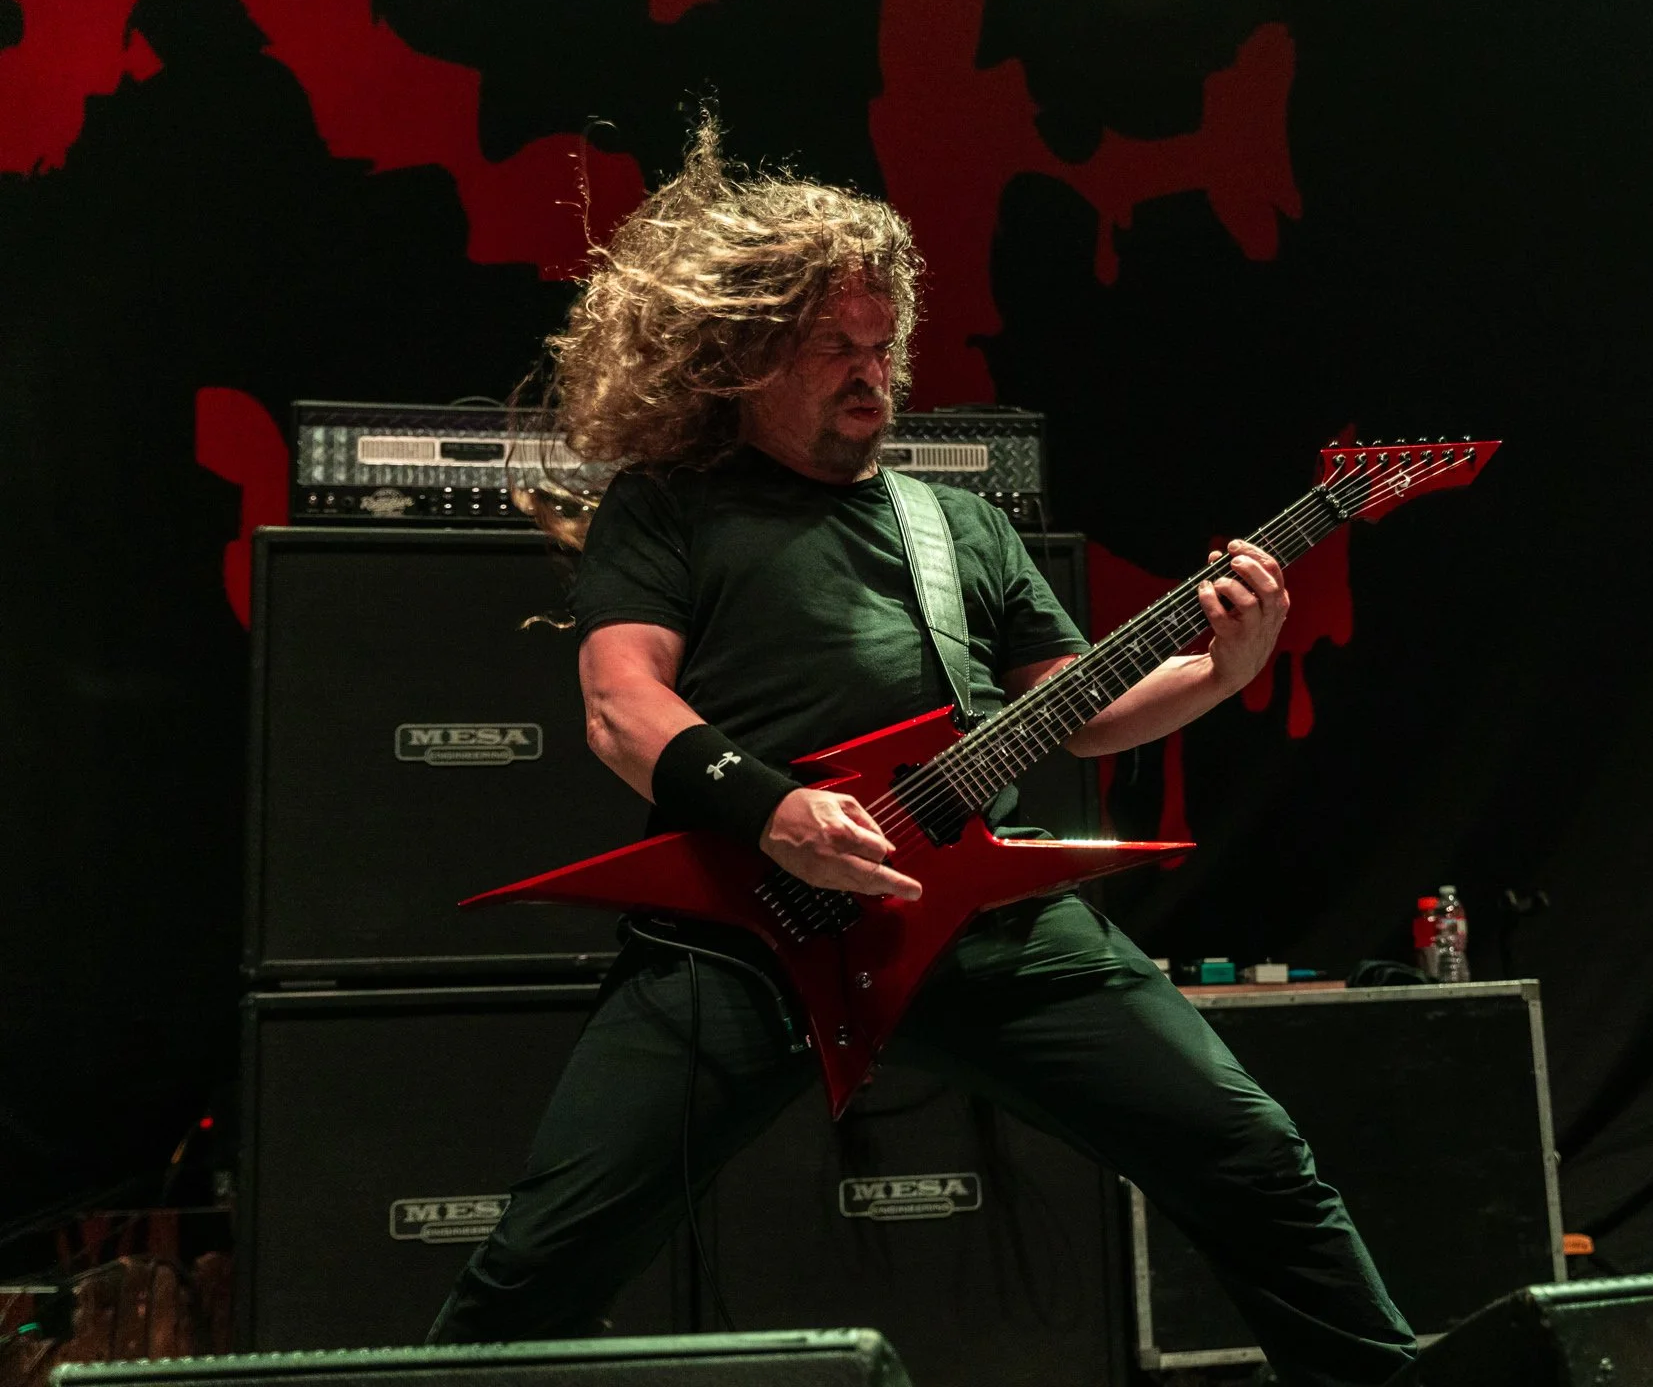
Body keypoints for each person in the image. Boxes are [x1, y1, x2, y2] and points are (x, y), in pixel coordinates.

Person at [427, 122, 1417, 1387]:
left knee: (1255, 1159)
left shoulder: (956, 524)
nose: (873, 372)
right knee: (545, 1258)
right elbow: (623, 706)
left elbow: (1076, 706)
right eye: (836, 346)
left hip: (983, 920)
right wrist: (775, 811)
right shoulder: (670, 508)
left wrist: (1224, 668)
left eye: (883, 343)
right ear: (743, 354)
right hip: (744, 934)